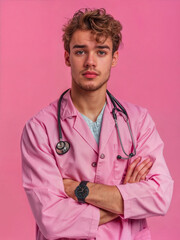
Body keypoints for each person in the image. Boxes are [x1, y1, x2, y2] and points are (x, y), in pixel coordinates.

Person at [21, 8, 173, 240]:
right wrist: (128, 199)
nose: (90, 62)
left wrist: (78, 190)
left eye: (101, 52)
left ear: (113, 58)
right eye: (81, 51)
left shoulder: (138, 121)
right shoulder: (39, 129)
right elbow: (51, 219)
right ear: (67, 56)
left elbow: (160, 196)